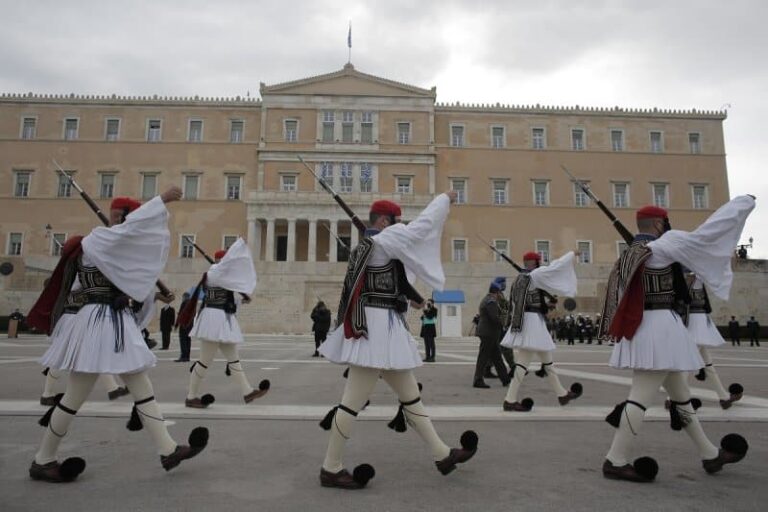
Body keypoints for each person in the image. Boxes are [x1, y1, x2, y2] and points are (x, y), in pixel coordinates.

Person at [27, 190, 209, 483]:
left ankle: (168, 449)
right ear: (124, 218)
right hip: (96, 323)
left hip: (113, 323)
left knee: (142, 387)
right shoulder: (99, 240)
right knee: (74, 396)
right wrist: (161, 199)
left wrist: (141, 292)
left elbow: (131, 278)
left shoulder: (113, 244)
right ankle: (43, 459)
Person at [317, 192, 478, 490]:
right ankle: (331, 467)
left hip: (387, 331)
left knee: (411, 398)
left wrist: (414, 300)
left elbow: (396, 280)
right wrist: (444, 199)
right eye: (396, 220)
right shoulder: (381, 241)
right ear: (382, 221)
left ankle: (442, 455)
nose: (400, 225)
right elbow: (421, 228)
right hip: (374, 333)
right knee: (351, 404)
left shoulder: (378, 244)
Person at [600, 198, 754, 483]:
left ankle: (709, 454)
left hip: (648, 327)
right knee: (639, 398)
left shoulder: (631, 252)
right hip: (658, 330)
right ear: (659, 224)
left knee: (681, 397)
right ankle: (615, 459)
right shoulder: (663, 245)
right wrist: (742, 205)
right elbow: (705, 235)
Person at [180, 239, 269, 408]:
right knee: (204, 361)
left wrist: (243, 298)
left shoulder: (221, 274)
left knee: (234, 360)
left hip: (223, 318)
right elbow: (228, 285)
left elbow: (231, 298)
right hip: (213, 319)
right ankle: (191, 396)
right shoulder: (214, 273)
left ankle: (247, 392)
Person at [501, 251, 582, 412]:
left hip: (527, 321)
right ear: (536, 262)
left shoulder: (520, 278)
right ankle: (509, 400)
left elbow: (526, 301)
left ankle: (562, 394)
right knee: (522, 365)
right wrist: (572, 254)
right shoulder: (536, 275)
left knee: (548, 363)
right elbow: (556, 267)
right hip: (532, 324)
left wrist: (545, 305)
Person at [682, 273, 743, 409]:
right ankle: (674, 399)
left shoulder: (694, 276)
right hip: (695, 321)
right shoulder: (691, 276)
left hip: (698, 320)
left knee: (708, 365)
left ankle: (723, 397)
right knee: (686, 364)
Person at [474, 277, 511, 388]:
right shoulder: (491, 302)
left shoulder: (488, 299)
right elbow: (495, 318)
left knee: (497, 357)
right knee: (484, 357)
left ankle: (505, 379)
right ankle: (478, 380)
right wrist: (504, 322)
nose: (501, 294)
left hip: (490, 333)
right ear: (497, 292)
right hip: (488, 333)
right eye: (500, 292)